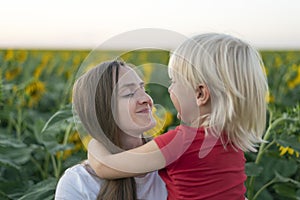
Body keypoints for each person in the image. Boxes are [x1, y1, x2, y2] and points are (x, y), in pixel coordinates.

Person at [87, 33, 269, 200]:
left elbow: (106, 167)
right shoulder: (233, 140)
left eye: (174, 81)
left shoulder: (180, 143)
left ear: (200, 94)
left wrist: (95, 143)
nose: (169, 89)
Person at [55, 61, 168, 200]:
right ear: (103, 110)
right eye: (129, 93)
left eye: (144, 90)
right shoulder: (79, 183)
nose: (147, 99)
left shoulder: (171, 164)